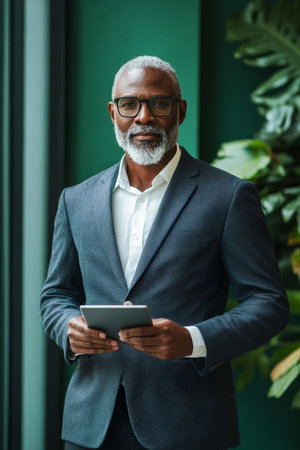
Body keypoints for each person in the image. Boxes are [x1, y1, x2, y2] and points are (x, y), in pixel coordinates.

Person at [40, 56, 289, 450]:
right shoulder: (76, 200)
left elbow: (269, 303)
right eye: (130, 104)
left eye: (159, 104)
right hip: (91, 426)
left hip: (188, 424)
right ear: (113, 113)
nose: (144, 117)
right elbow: (56, 295)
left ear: (180, 111)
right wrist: (68, 329)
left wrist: (193, 340)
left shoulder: (228, 196)